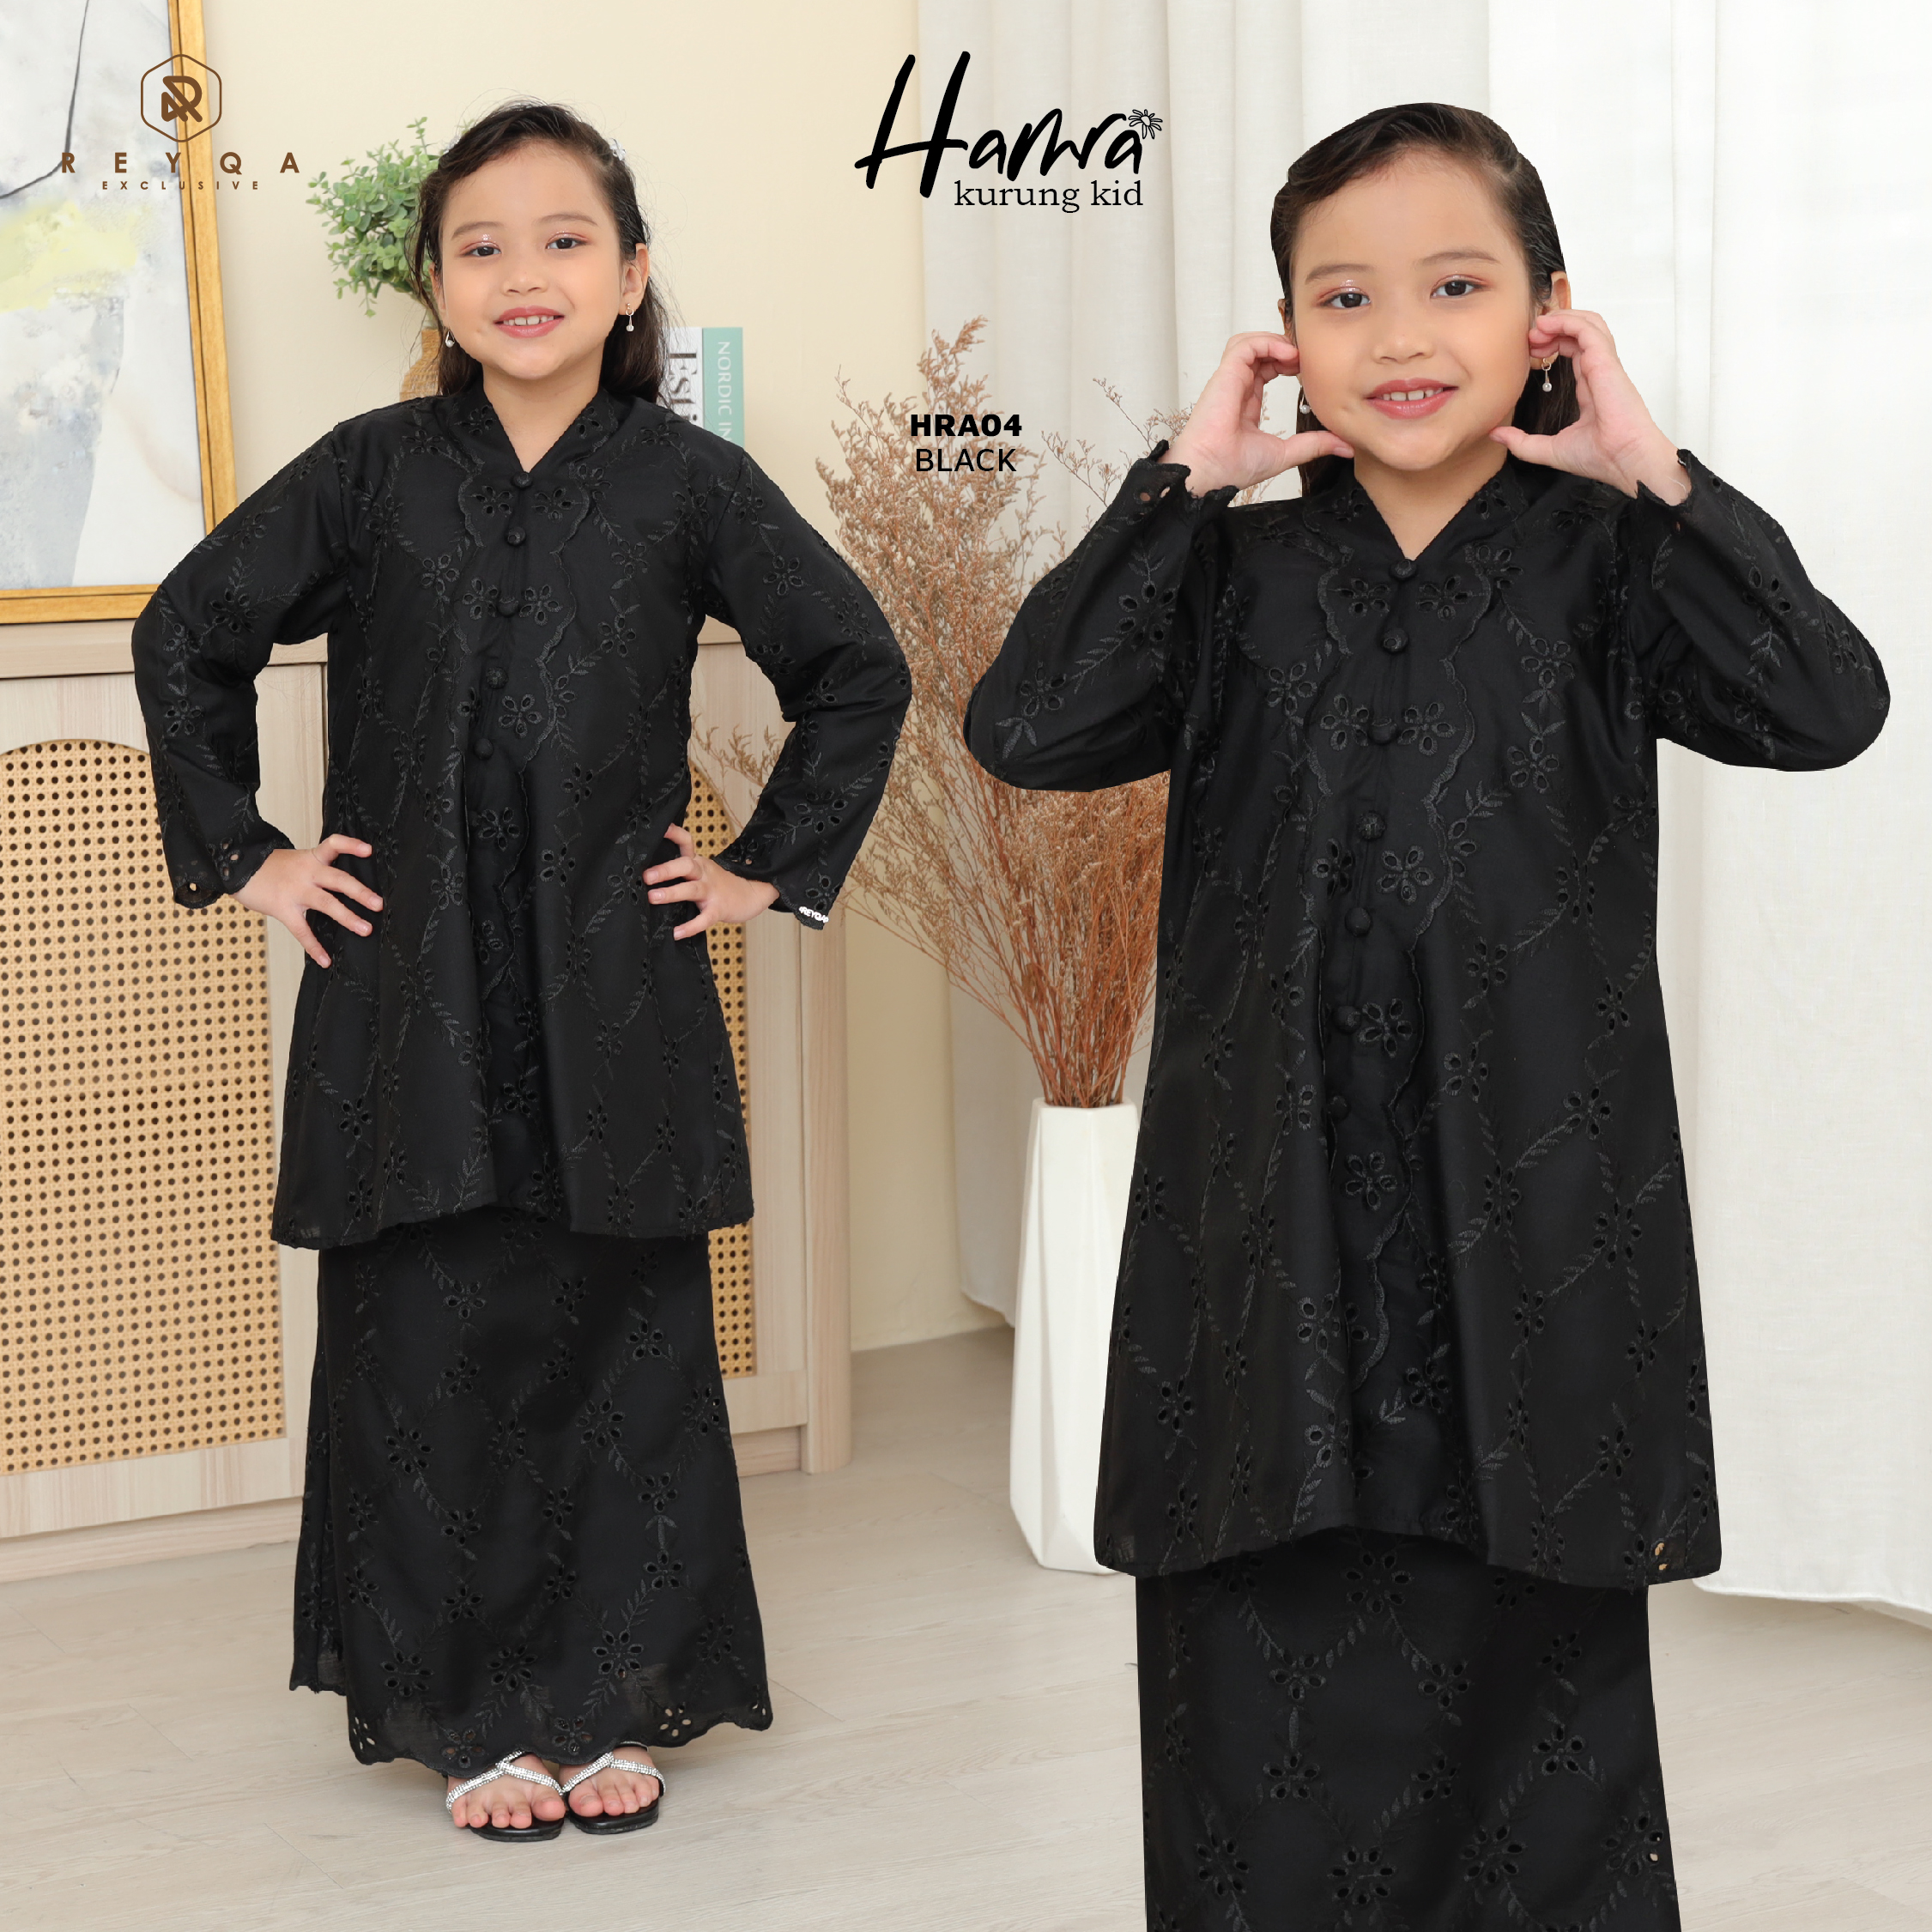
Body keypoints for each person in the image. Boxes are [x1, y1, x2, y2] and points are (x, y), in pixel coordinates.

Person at [965, 101, 1887, 1929]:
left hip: (1535, 1213)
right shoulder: (1227, 574)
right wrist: (1179, 481)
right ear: (1282, 342)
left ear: (1548, 315)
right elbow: (1027, 727)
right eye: (1342, 298)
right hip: (1268, 1222)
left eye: (1454, 287)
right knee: (1257, 1647)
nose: (1399, 337)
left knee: (1536, 1658)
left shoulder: (1613, 560)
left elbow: (1826, 702)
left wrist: (1651, 463)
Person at [134, 100, 907, 1842]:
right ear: (436, 282)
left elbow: (855, 665)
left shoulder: (690, 481)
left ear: (630, 276)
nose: (523, 272)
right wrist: (251, 854)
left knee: (622, 1334)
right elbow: (188, 631)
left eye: (565, 239)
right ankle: (467, 1711)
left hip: (610, 977)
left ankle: (614, 1696)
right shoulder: (368, 470)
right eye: (479, 245)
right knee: (425, 1337)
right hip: (405, 984)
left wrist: (768, 865)